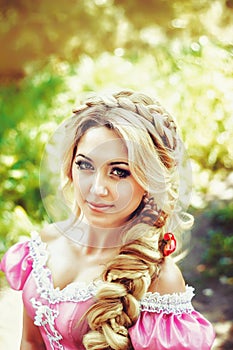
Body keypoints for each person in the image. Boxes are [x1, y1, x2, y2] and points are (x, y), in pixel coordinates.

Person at [0, 89, 215, 349]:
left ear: (149, 181)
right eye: (85, 165)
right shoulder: (46, 243)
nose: (97, 188)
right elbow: (30, 342)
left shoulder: (161, 280)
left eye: (119, 172)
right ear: (70, 166)